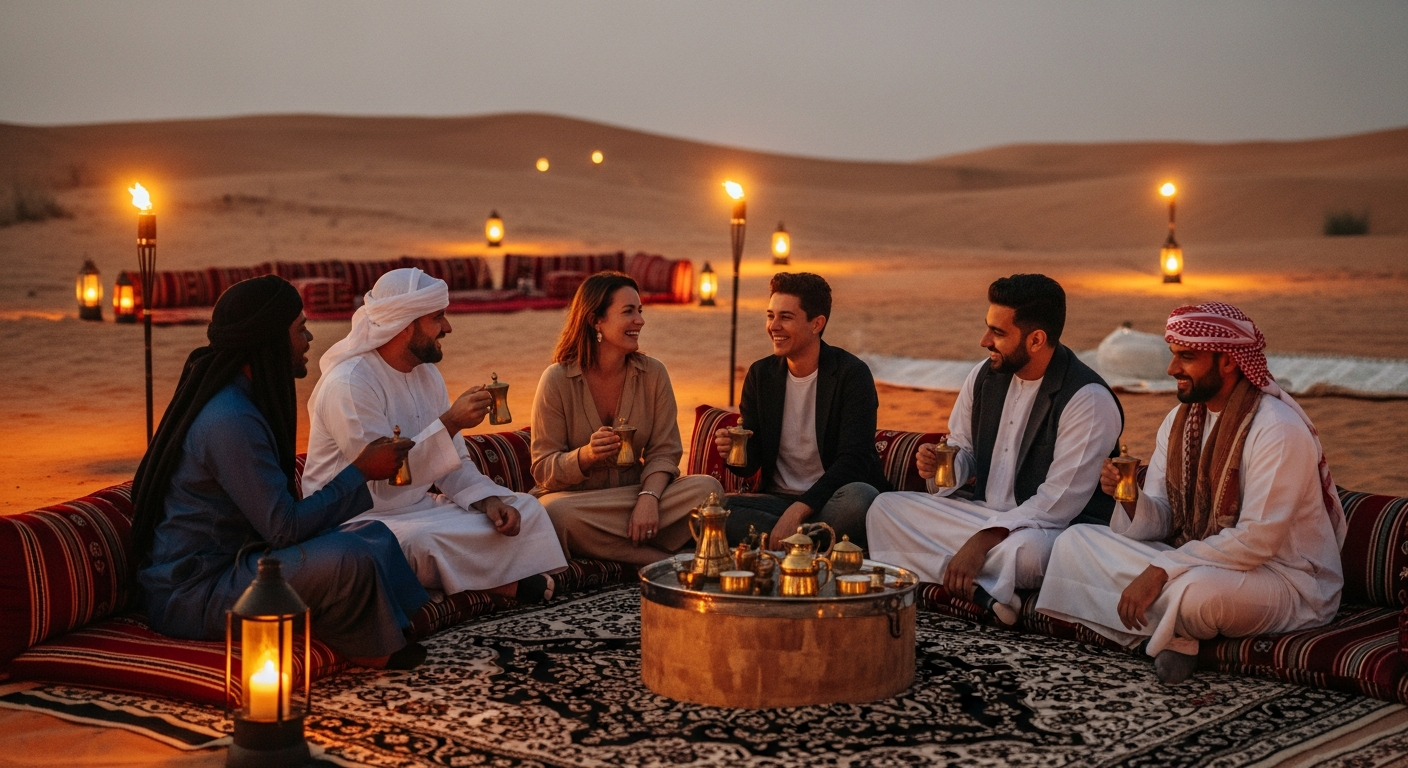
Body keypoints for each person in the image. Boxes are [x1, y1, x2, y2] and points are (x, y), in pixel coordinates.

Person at [1036, 302, 1347, 684]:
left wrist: (1160, 570)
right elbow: (1166, 517)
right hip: (1198, 555)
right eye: (1174, 355)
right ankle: (1174, 633)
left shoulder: (1277, 429)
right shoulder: (1179, 421)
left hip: (1283, 580)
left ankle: (1166, 632)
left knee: (1198, 596)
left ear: (1229, 361)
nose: (1172, 370)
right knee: (1076, 542)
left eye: (1187, 357)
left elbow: (1257, 540)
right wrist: (1129, 499)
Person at [133, 275, 430, 669]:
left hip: (241, 565)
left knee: (373, 534)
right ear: (269, 340)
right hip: (195, 591)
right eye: (300, 329)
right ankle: (371, 648)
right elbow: (284, 528)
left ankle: (392, 628)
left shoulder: (243, 401)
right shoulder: (229, 419)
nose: (308, 339)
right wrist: (360, 471)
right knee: (348, 558)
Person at [866, 274, 1123, 625]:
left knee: (1027, 554)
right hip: (981, 515)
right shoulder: (984, 377)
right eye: (989, 328)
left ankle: (960, 576)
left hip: (1051, 530)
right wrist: (944, 466)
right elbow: (963, 448)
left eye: (998, 333)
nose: (984, 341)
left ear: (1036, 340)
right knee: (885, 508)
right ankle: (981, 592)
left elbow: (1058, 503)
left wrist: (985, 540)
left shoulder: (1087, 399)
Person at [303, 268, 567, 603]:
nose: (448, 327)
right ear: (406, 325)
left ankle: (458, 580)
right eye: (437, 318)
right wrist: (450, 423)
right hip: (359, 519)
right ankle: (501, 584)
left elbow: (453, 462)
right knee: (419, 542)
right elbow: (381, 478)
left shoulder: (427, 375)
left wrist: (489, 501)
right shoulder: (351, 383)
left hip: (418, 508)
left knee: (526, 508)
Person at [530, 272, 723, 566]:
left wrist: (648, 498)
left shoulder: (653, 374)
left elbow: (665, 451)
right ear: (596, 320)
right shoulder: (557, 379)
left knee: (708, 490)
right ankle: (661, 560)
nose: (640, 321)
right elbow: (544, 468)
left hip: (638, 494)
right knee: (553, 514)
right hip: (582, 503)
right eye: (628, 312)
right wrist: (586, 456)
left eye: (640, 311)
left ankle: (619, 543)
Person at [715, 272, 890, 549]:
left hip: (834, 499)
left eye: (785, 317)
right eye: (770, 315)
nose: (774, 326)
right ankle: (811, 542)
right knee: (720, 509)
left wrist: (798, 510)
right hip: (777, 501)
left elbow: (853, 460)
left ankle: (788, 542)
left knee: (861, 498)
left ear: (816, 324)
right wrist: (734, 451)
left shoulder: (851, 374)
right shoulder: (761, 375)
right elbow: (751, 462)